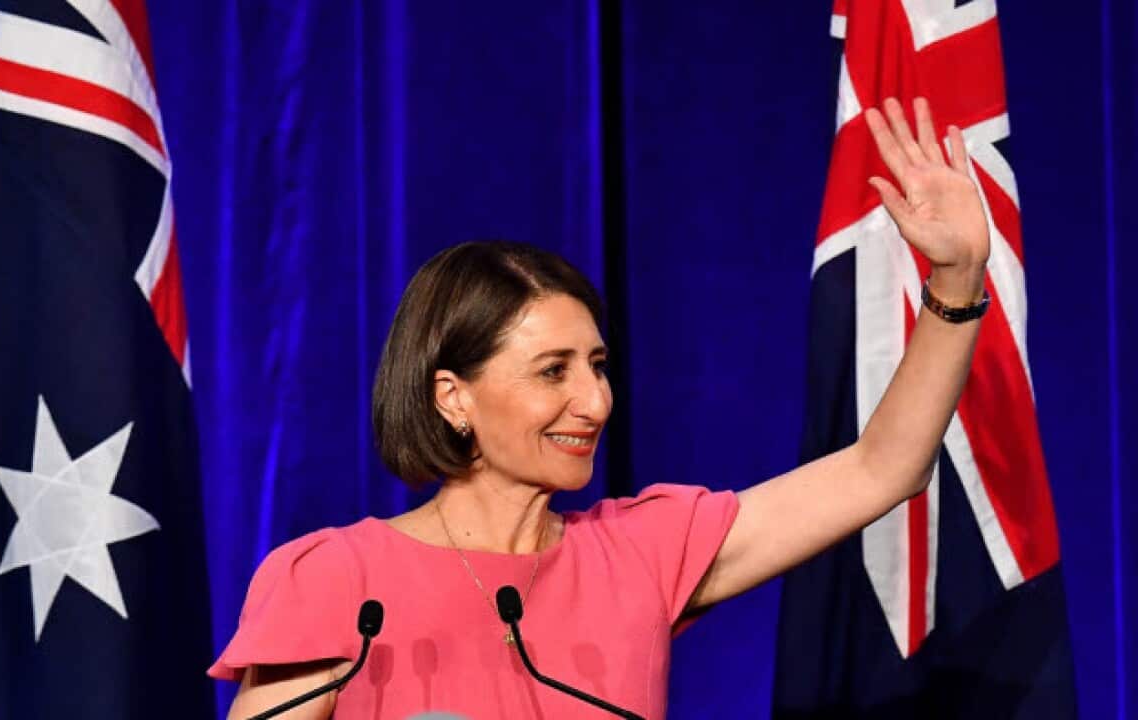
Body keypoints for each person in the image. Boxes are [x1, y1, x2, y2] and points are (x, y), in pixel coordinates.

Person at [209, 97, 991, 719]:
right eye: (552, 371)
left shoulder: (641, 554)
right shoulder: (339, 579)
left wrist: (956, 281)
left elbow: (881, 468)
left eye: (598, 366)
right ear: (454, 397)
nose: (594, 400)